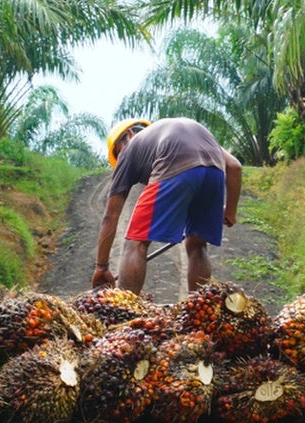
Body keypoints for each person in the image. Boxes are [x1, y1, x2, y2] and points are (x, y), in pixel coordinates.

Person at [92, 117, 242, 295]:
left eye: (118, 152)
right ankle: (198, 312)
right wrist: (230, 211)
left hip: (174, 162)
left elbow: (111, 216)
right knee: (197, 244)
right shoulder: (177, 130)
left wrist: (101, 266)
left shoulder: (130, 148)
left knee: (136, 242)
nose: (121, 159)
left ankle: (127, 311)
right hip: (214, 171)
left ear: (129, 134)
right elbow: (234, 166)